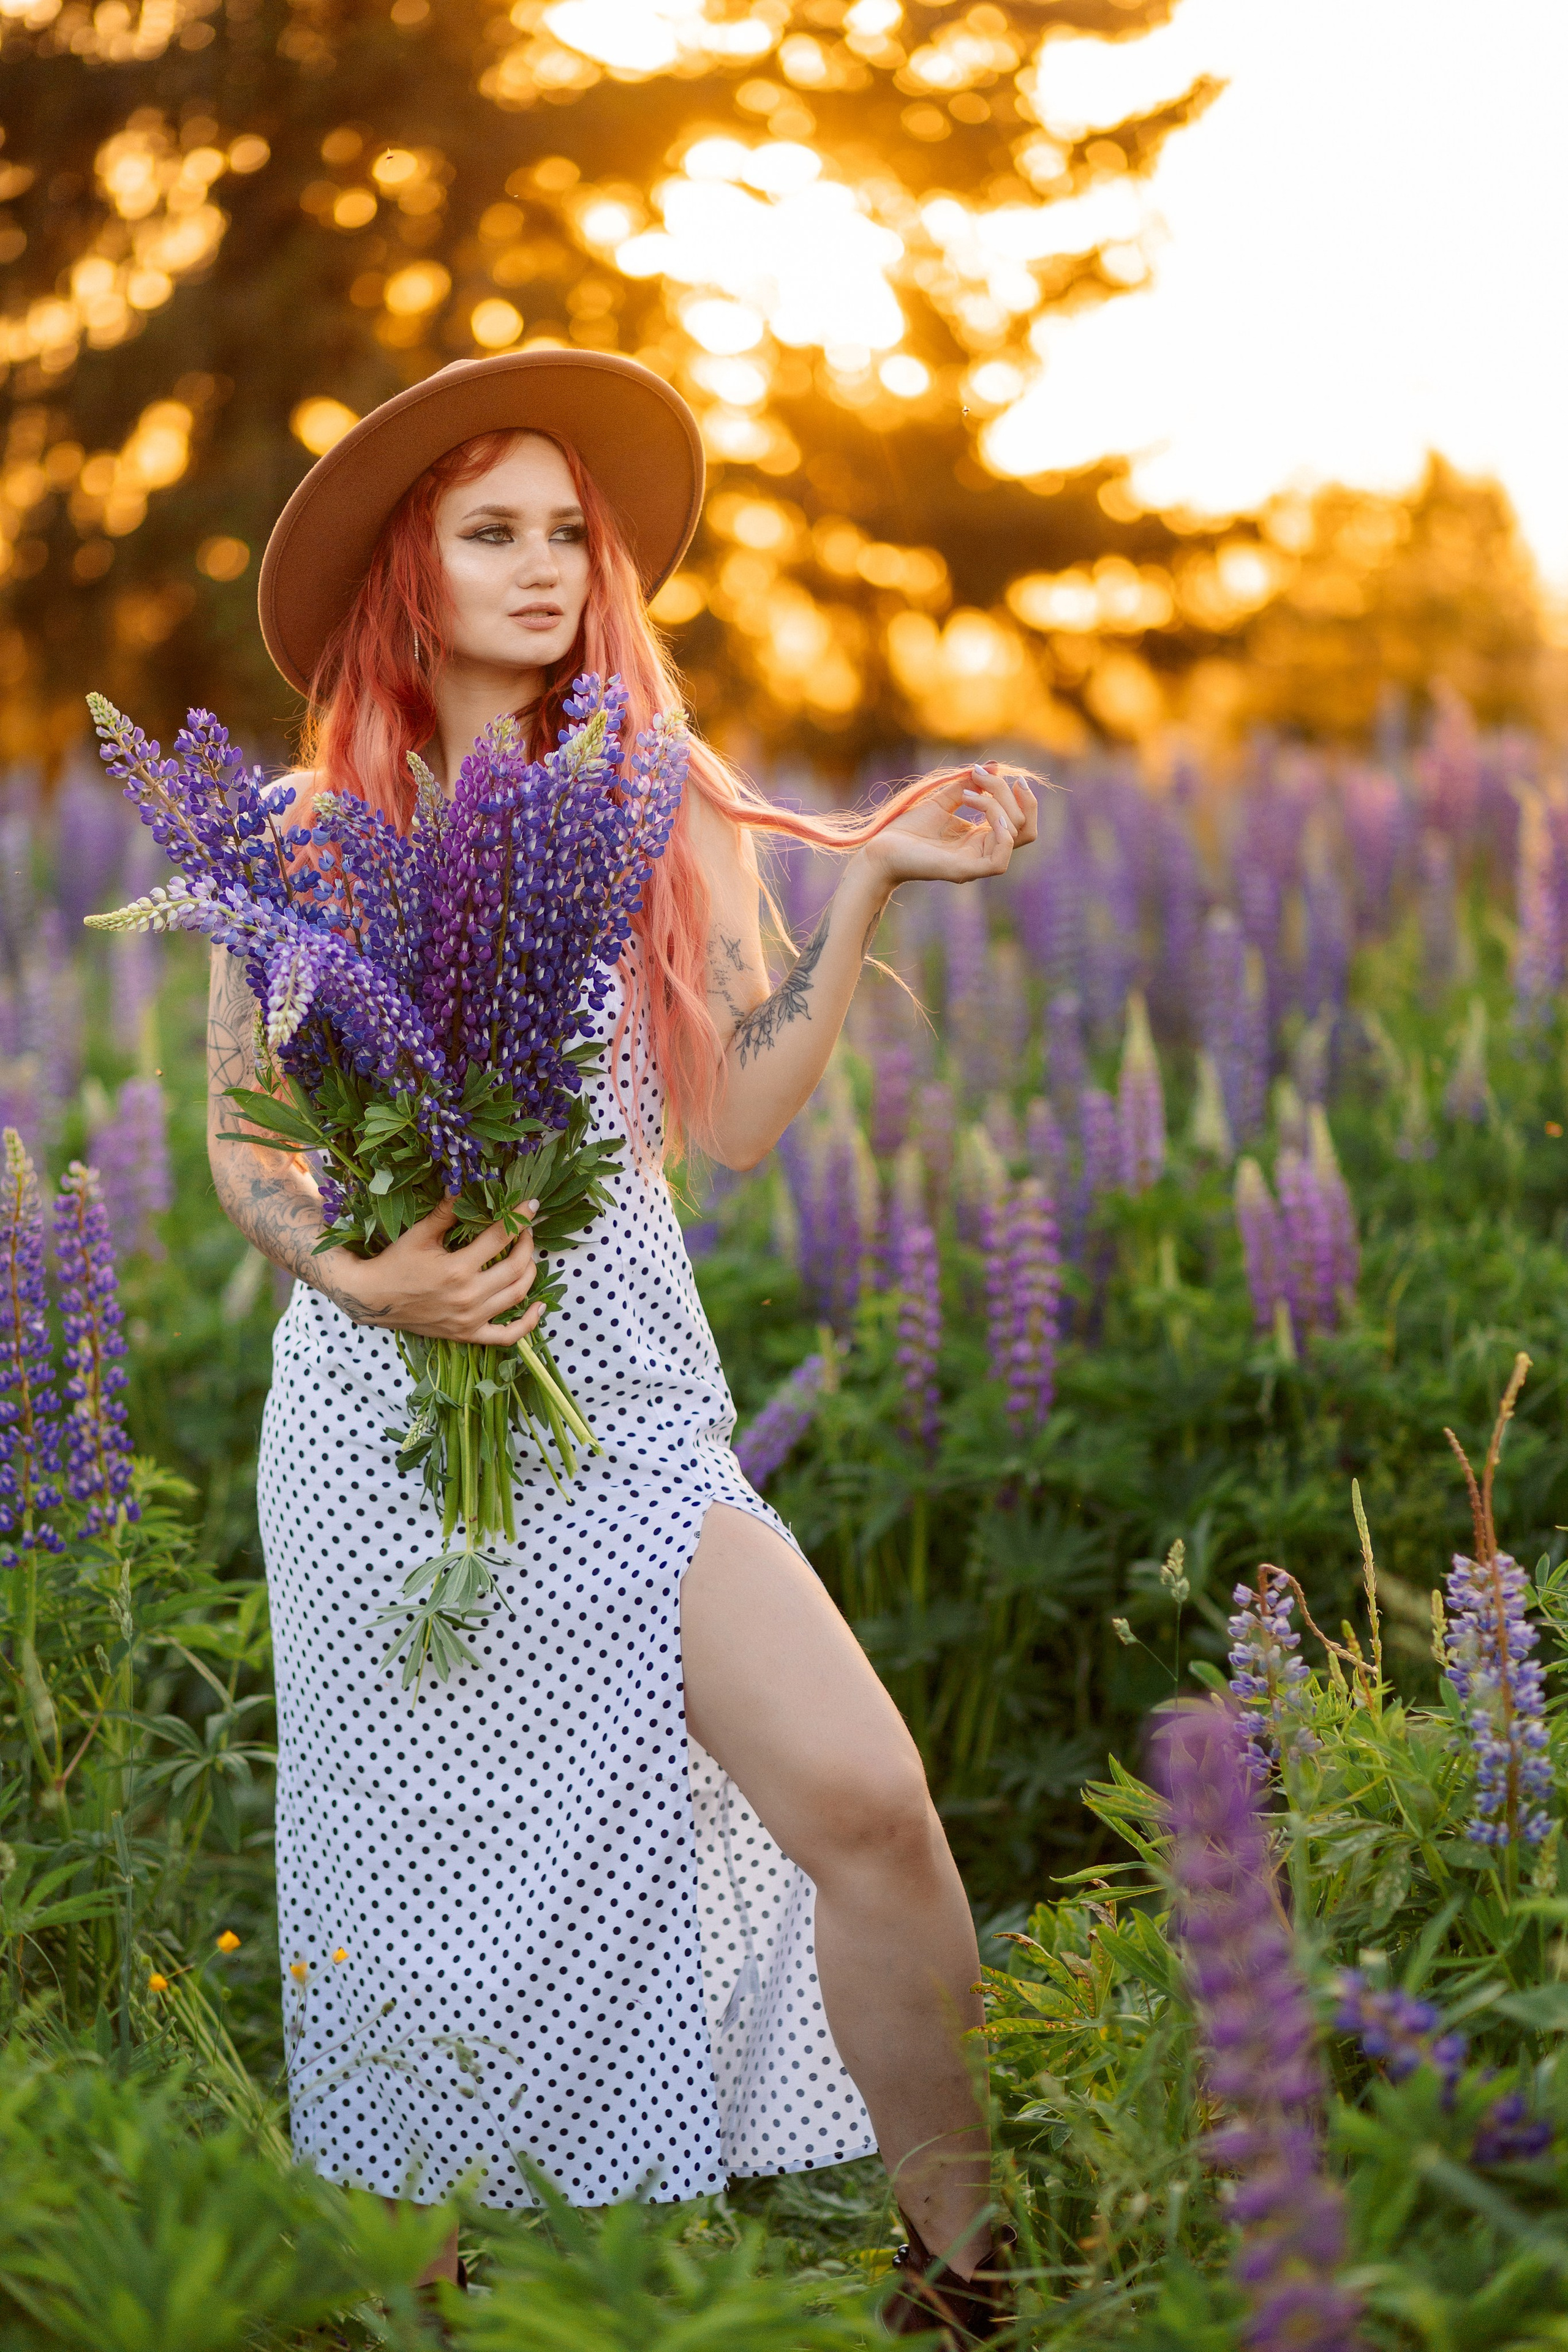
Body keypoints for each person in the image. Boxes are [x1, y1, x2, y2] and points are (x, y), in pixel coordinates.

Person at [217, 350, 1037, 2343]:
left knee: (869, 1808)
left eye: (566, 533)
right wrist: (363, 1275)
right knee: (411, 1901)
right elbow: (248, 1142)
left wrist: (868, 901)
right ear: (412, 571)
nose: (544, 567)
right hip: (382, 1426)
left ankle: (972, 2286)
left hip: (631, 1409)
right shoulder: (308, 830)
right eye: (492, 532)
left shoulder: (649, 799)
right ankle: (429, 2314)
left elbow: (734, 1123)